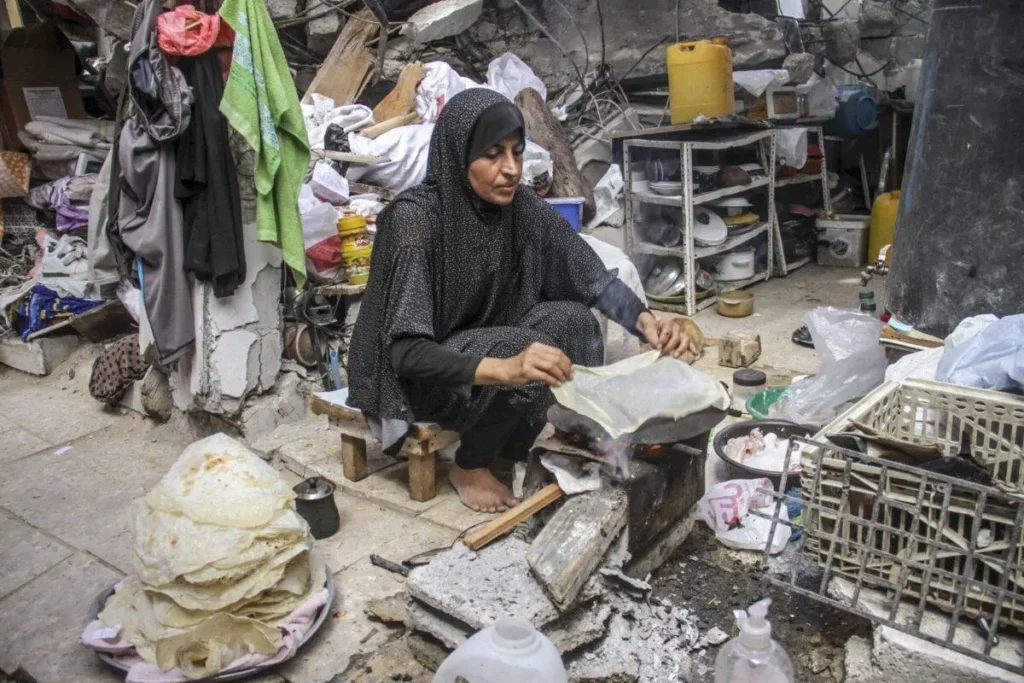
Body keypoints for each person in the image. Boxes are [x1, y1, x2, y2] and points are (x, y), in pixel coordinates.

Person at [347, 89, 692, 513]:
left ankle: (507, 452)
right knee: (522, 354)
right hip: (413, 381)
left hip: (480, 344)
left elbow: (588, 276)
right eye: (492, 155)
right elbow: (404, 352)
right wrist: (507, 368)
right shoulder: (415, 222)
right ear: (458, 155)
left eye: (516, 152)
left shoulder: (520, 207)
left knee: (574, 322)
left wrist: (646, 321)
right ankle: (469, 465)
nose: (510, 169)